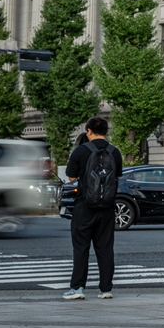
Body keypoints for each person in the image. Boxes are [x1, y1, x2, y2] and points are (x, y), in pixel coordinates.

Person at [62, 116, 123, 301]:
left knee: (81, 247)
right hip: (107, 208)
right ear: (106, 131)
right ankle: (106, 289)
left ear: (88, 131)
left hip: (84, 206)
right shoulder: (115, 152)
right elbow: (117, 177)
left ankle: (78, 288)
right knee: (105, 248)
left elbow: (71, 177)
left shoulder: (81, 151)